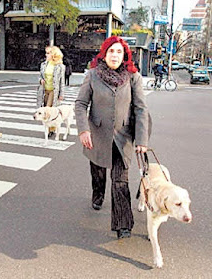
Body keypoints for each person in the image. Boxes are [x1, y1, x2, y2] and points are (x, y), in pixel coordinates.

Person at [75, 36, 151, 239]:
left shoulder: (133, 77)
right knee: (98, 173)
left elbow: (140, 109)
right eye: (111, 51)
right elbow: (81, 104)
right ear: (104, 54)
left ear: (125, 55)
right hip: (97, 136)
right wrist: (84, 130)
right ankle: (97, 194)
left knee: (120, 181)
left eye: (119, 52)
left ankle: (123, 224)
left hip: (122, 137)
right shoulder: (92, 75)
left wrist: (142, 139)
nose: (115, 55)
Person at [37, 46, 65, 136]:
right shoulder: (43, 64)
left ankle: (51, 130)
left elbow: (62, 81)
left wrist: (61, 94)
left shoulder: (60, 66)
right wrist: (40, 80)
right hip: (44, 89)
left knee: (48, 108)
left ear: (54, 54)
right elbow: (40, 76)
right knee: (45, 107)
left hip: (54, 90)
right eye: (46, 53)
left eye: (48, 53)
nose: (46, 55)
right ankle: (50, 127)